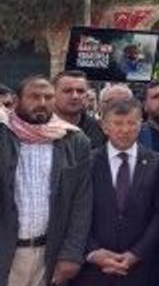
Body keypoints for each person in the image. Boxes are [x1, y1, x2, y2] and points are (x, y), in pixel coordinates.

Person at [1, 76, 92, 286]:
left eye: (48, 97)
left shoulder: (74, 140)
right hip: (6, 252)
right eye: (34, 97)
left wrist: (71, 254)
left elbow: (81, 202)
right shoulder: (4, 134)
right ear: (16, 101)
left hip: (49, 254)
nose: (42, 102)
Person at [79, 97, 159, 286]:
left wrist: (137, 253)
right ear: (104, 126)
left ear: (141, 124)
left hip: (142, 269)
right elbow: (77, 213)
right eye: (117, 123)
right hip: (94, 270)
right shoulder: (87, 163)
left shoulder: (158, 163)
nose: (125, 130)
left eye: (132, 123)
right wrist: (93, 251)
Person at [53, 70, 105, 149]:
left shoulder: (97, 129)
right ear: (53, 94)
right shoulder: (39, 128)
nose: (75, 96)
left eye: (80, 91)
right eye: (67, 91)